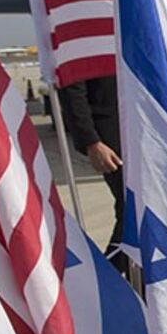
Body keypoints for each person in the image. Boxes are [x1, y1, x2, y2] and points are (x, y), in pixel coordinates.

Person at [58, 75, 127, 274]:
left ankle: (130, 277)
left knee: (147, 208)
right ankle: (107, 278)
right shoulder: (79, 43)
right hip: (110, 132)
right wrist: (91, 142)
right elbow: (72, 90)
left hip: (142, 125)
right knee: (131, 208)